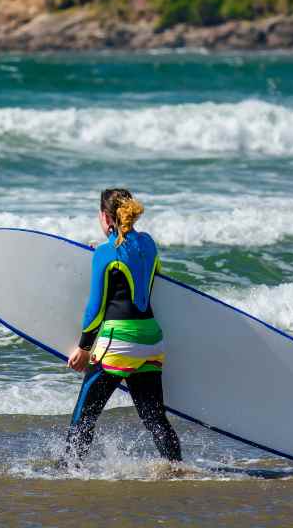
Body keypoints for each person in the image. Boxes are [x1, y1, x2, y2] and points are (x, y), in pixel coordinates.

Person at [63, 188, 182, 463]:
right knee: (155, 419)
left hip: (117, 343)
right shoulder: (149, 244)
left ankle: (68, 471)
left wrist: (83, 347)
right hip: (151, 340)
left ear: (105, 216)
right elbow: (157, 277)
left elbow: (95, 308)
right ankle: (178, 469)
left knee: (84, 417)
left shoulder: (105, 253)